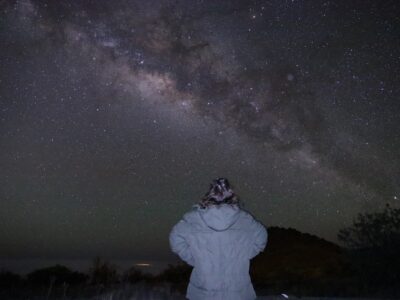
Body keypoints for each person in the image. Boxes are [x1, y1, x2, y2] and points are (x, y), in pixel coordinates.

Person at [169, 178, 268, 300]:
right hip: (238, 294)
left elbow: (175, 239)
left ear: (209, 196)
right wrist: (244, 255)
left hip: (203, 294)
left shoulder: (192, 220)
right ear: (231, 195)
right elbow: (261, 237)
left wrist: (195, 259)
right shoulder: (245, 219)